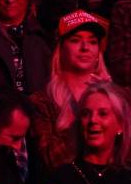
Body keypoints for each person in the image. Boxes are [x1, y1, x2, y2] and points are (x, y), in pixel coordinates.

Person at [29, 10, 111, 173]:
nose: (85, 48)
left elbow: (130, 152)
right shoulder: (41, 102)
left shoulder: (119, 97)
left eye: (93, 42)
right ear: (60, 49)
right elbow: (51, 158)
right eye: (75, 40)